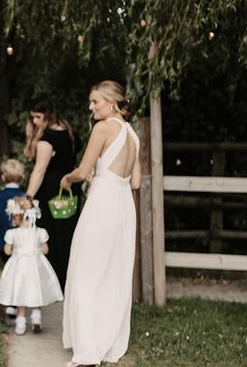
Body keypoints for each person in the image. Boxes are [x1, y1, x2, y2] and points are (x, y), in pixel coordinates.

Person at [61, 80, 141, 367]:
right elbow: (137, 181)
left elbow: (83, 170)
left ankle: (88, 349)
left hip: (103, 204)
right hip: (123, 207)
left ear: (111, 102)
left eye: (95, 101)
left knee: (85, 271)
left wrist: (68, 179)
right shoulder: (133, 134)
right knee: (113, 275)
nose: (91, 107)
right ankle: (108, 342)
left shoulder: (103, 128)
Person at [24, 97, 80, 289]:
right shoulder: (70, 133)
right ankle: (66, 282)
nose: (35, 122)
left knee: (49, 237)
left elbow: (39, 170)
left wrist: (29, 196)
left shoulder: (46, 140)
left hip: (51, 192)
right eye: (33, 117)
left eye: (38, 117)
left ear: (48, 116)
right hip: (70, 190)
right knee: (67, 236)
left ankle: (50, 284)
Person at [0, 196, 63, 335]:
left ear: (16, 216)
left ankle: (21, 322)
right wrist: (36, 250)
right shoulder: (40, 232)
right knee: (36, 290)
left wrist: (16, 251)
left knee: (21, 293)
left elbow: (7, 250)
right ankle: (36, 318)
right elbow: (45, 250)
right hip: (36, 265)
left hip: (19, 266)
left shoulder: (12, 233)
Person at [0, 159, 25, 320]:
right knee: (21, 273)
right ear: (22, 177)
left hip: (3, 243)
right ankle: (18, 302)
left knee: (9, 272)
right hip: (23, 243)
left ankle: (11, 305)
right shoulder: (25, 197)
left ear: (3, 177)